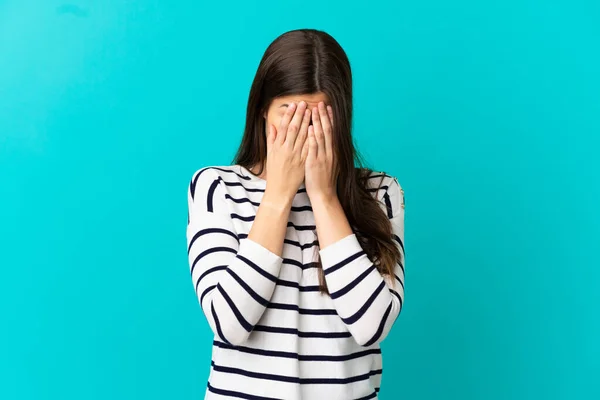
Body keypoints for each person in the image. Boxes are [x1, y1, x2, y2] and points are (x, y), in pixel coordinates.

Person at [186, 28, 405, 400]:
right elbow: (229, 322)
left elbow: (372, 324)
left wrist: (324, 197)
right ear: (261, 114)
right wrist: (279, 193)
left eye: (318, 120)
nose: (304, 134)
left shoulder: (381, 193)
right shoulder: (216, 188)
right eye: (289, 117)